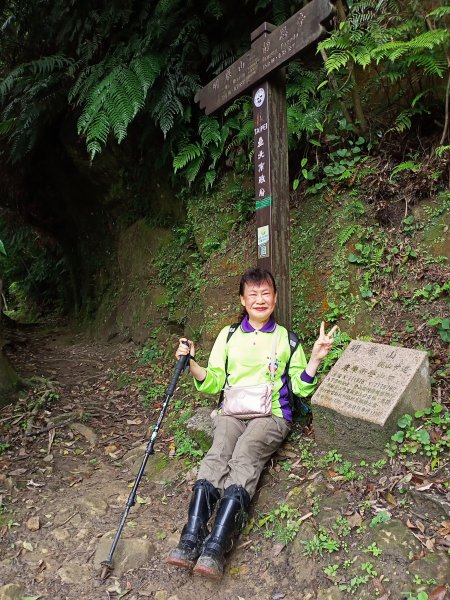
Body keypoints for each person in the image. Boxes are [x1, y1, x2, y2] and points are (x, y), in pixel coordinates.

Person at [167, 267, 337, 579]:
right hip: (232, 410)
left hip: (271, 415)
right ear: (243, 300)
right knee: (218, 452)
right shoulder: (228, 336)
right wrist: (190, 362)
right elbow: (214, 380)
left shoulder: (287, 339)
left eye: (266, 294)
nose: (260, 300)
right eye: (253, 294)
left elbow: (299, 388)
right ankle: (191, 537)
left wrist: (315, 359)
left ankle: (217, 545)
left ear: (275, 298)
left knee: (245, 454)